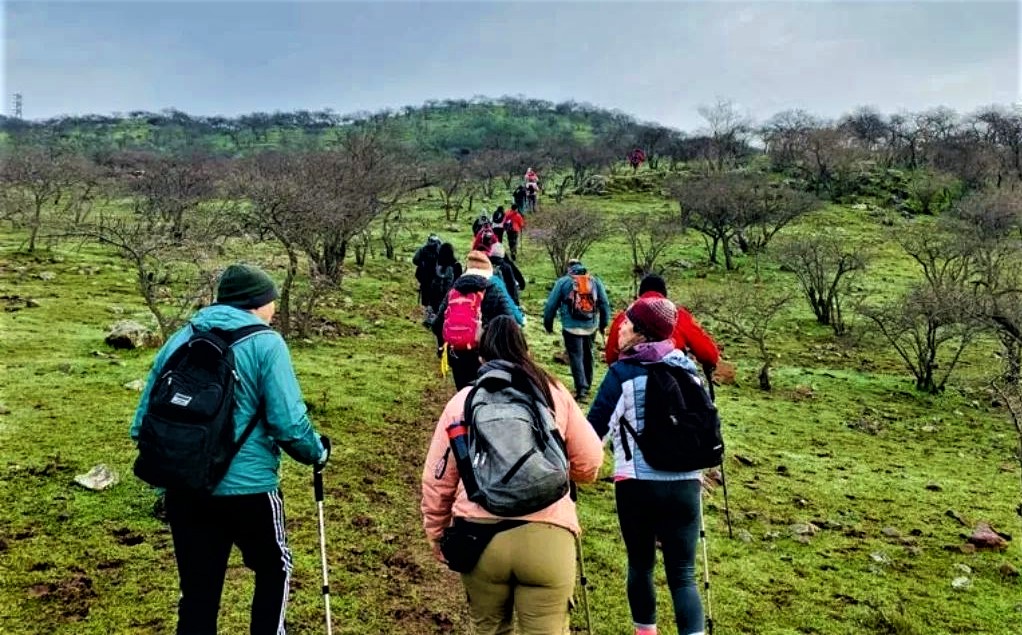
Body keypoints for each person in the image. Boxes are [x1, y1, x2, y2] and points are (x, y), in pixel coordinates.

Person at [130, 263, 329, 635]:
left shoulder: (181, 338)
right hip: (249, 490)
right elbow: (288, 424)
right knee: (274, 567)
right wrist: (317, 452)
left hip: (186, 488)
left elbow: (142, 423)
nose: (274, 309)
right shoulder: (267, 343)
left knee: (198, 591)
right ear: (256, 303)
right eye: (271, 301)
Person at [421, 316, 604, 635]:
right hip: (548, 538)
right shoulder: (553, 392)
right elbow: (590, 463)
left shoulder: (463, 402)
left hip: (479, 539)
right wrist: (556, 474)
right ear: (526, 351)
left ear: (481, 357)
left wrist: (436, 533)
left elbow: (438, 481)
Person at [586, 296, 707, 635]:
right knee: (683, 574)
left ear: (640, 333)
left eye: (626, 323)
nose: (620, 328)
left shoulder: (622, 373)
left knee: (640, 565)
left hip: (637, 484)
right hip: (686, 484)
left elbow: (594, 434)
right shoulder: (688, 370)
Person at [432, 251, 524, 389]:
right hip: (486, 356)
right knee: (485, 394)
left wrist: (444, 345)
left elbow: (436, 324)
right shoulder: (494, 289)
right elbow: (510, 325)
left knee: (464, 393)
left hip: (457, 355)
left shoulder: (454, 290)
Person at [605, 273, 720, 371]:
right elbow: (708, 353)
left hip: (629, 376)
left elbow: (611, 357)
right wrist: (710, 363)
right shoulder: (678, 315)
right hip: (671, 379)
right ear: (664, 294)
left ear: (640, 294)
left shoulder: (624, 317)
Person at [543, 259, 610, 401]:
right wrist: (603, 324)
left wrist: (548, 324)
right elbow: (604, 303)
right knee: (588, 353)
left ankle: (581, 389)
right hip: (590, 326)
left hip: (571, 326)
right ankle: (588, 384)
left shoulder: (563, 282)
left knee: (576, 356)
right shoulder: (594, 281)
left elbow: (551, 305)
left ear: (569, 268)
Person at [429, 242, 463, 317]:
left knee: (436, 315)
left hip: (436, 296)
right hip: (450, 297)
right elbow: (459, 282)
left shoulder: (437, 265)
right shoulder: (457, 265)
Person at [413, 234, 443, 320]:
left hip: (426, 275)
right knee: (433, 293)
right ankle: (431, 311)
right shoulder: (439, 249)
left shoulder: (423, 249)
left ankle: (427, 310)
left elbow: (415, 260)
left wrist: (422, 264)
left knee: (426, 291)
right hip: (433, 276)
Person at [488, 242, 525, 307]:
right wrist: (516, 304)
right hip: (504, 300)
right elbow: (512, 286)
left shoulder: (486, 265)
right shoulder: (506, 267)